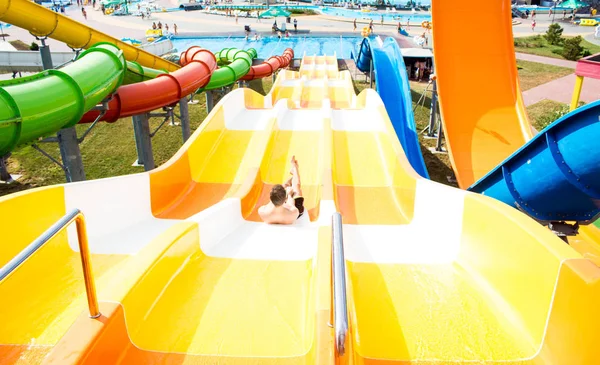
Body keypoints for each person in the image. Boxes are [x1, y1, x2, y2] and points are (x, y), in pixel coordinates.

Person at [258, 156, 305, 225]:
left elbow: (271, 203)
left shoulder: (262, 212)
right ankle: (295, 169)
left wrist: (282, 194)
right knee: (296, 187)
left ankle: (293, 176)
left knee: (284, 186)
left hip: (278, 206)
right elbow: (291, 204)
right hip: (288, 211)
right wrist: (289, 195)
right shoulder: (294, 212)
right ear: (285, 199)